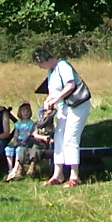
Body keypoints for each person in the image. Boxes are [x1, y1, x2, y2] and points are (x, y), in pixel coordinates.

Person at [33, 47, 91, 186]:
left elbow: (70, 85)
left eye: (40, 64)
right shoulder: (51, 72)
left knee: (71, 138)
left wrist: (55, 99)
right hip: (63, 108)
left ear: (44, 59)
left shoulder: (63, 65)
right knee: (59, 137)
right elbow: (53, 92)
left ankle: (74, 176)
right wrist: (48, 100)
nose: (40, 67)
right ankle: (57, 175)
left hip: (77, 106)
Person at [4, 101, 36, 181]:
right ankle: (10, 169)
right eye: (23, 111)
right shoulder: (18, 123)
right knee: (8, 149)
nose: (25, 113)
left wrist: (21, 142)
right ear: (20, 112)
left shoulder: (31, 123)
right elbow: (16, 134)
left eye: (27, 111)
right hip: (18, 140)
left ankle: (16, 169)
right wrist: (15, 141)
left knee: (19, 150)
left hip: (26, 141)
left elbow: (29, 134)